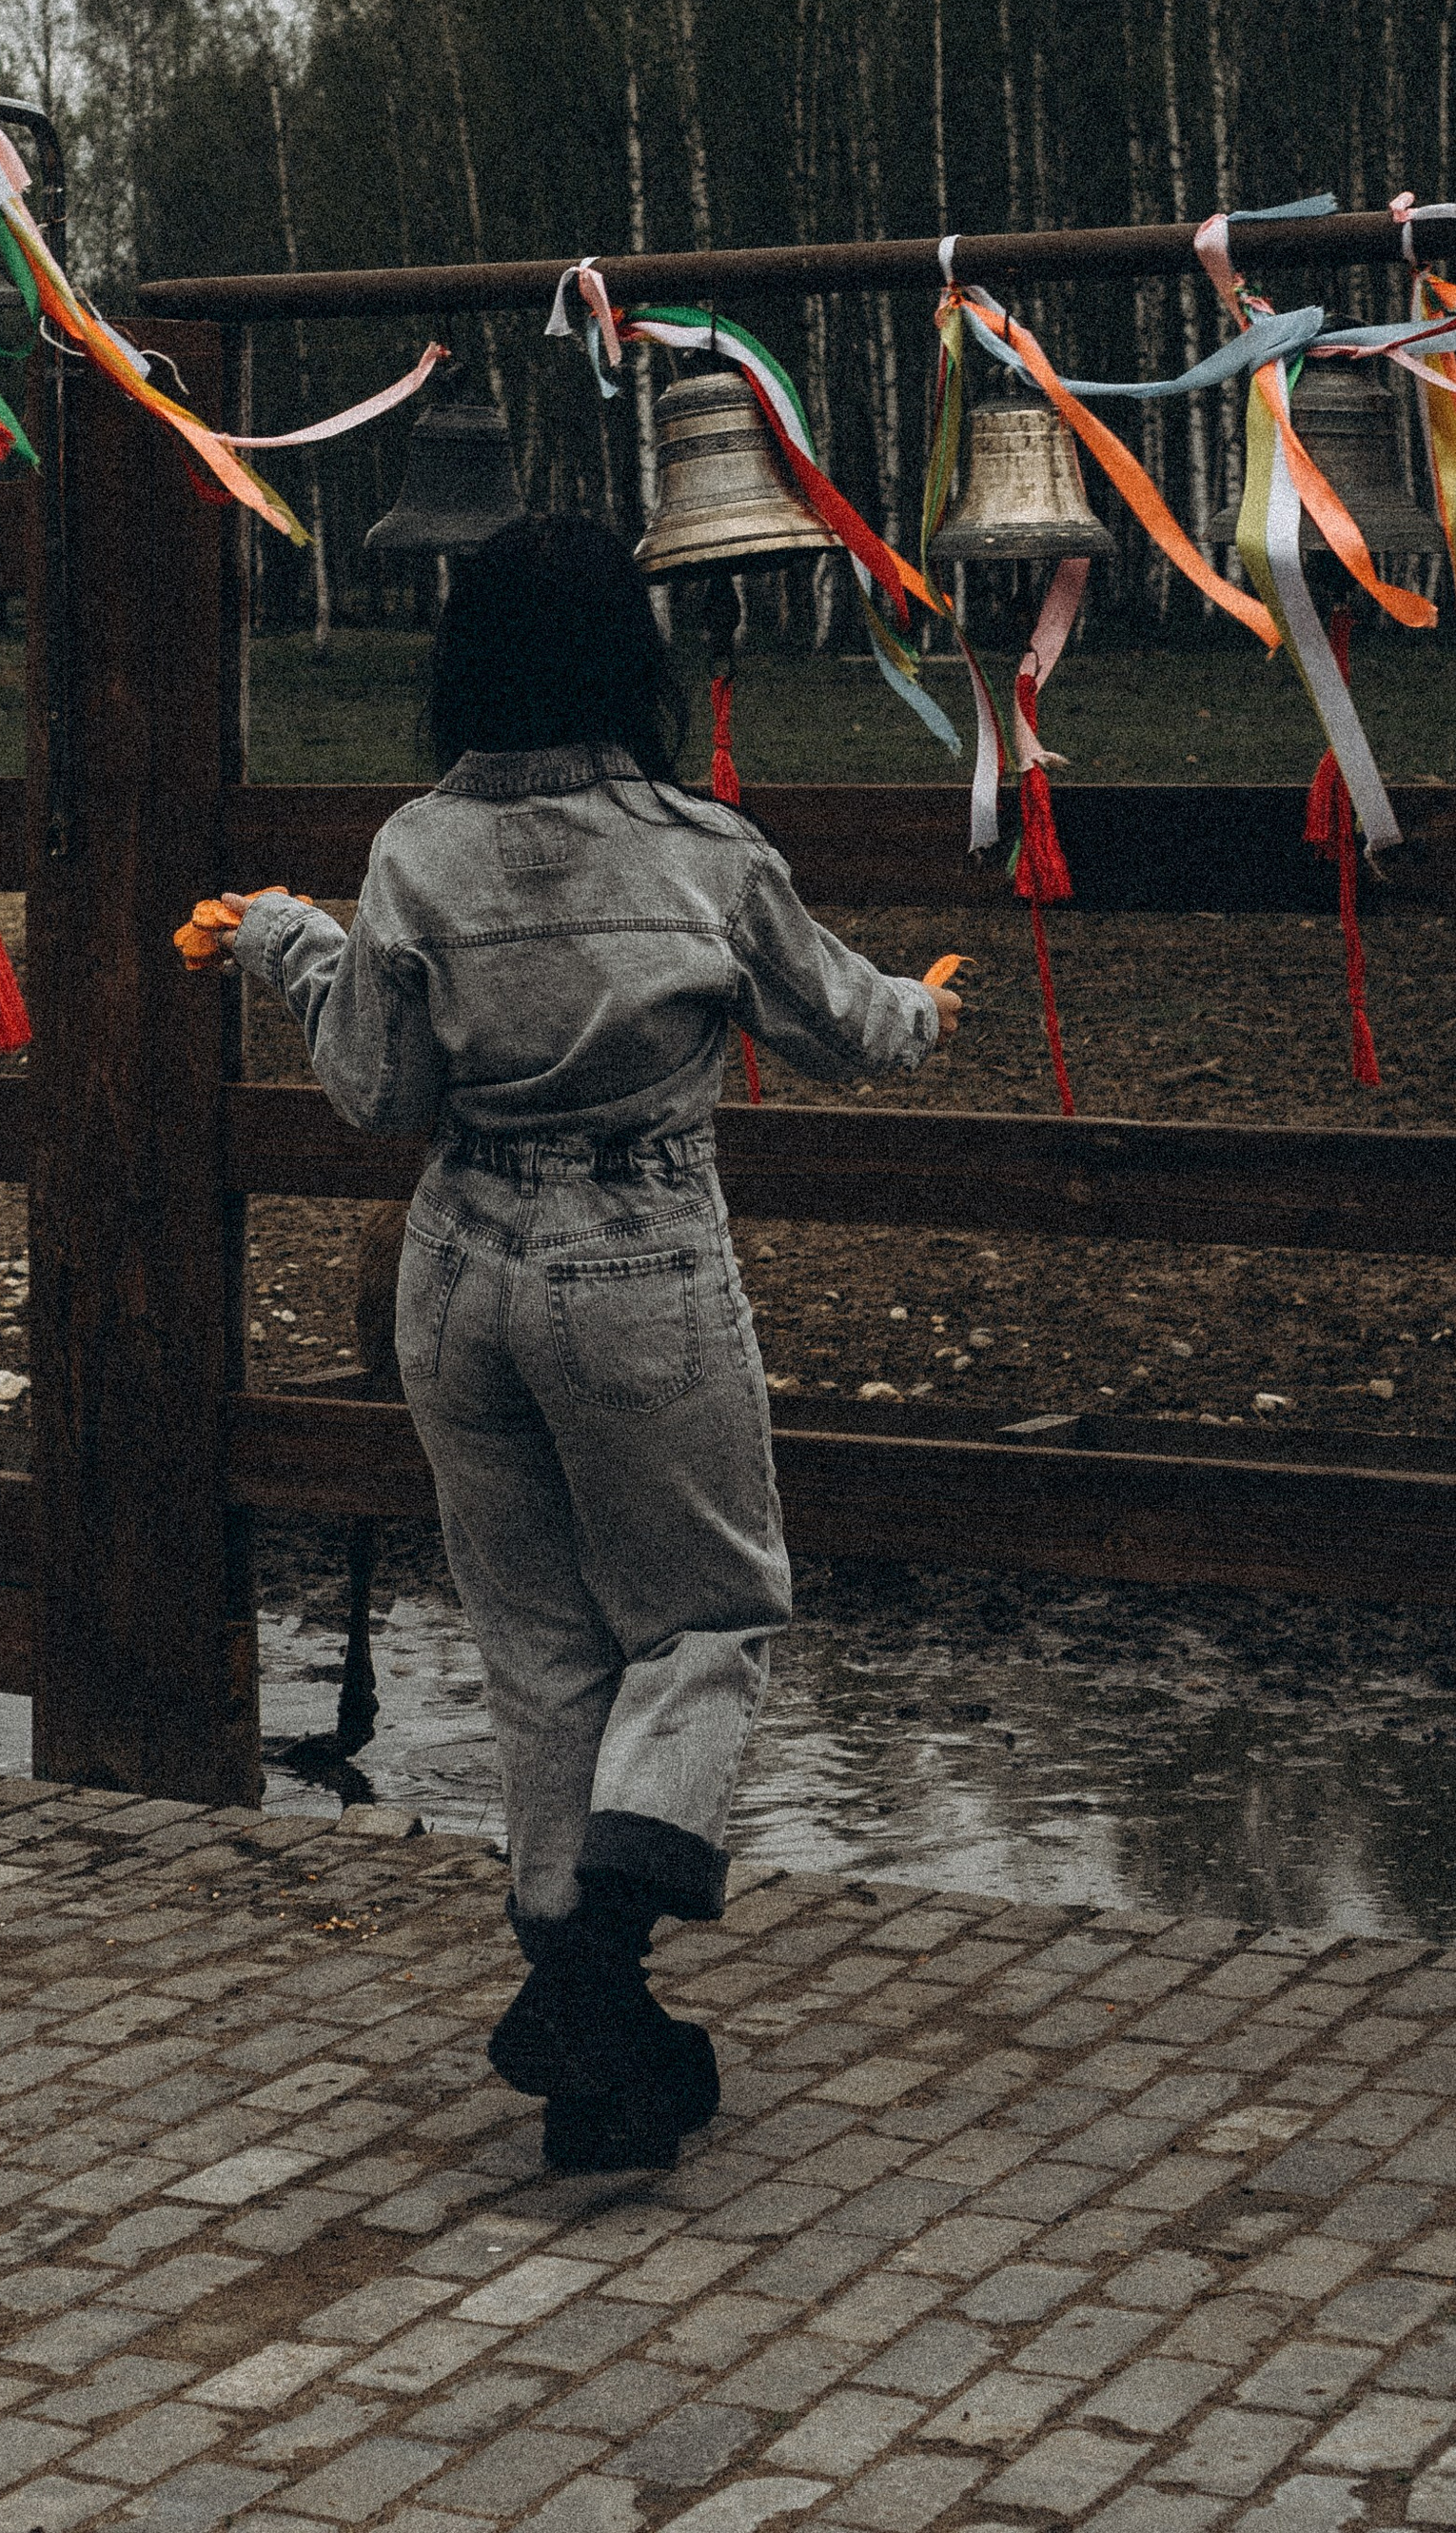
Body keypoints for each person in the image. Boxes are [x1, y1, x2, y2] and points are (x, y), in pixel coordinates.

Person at [213, 513, 960, 2175]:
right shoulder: (703, 850)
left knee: (541, 1649)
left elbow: (376, 1092)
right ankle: (597, 1961)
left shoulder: (414, 848)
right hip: (636, 1266)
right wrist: (931, 1007)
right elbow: (849, 1027)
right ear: (631, 658)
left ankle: (599, 2069)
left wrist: (284, 941)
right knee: (707, 1617)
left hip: (456, 1272)